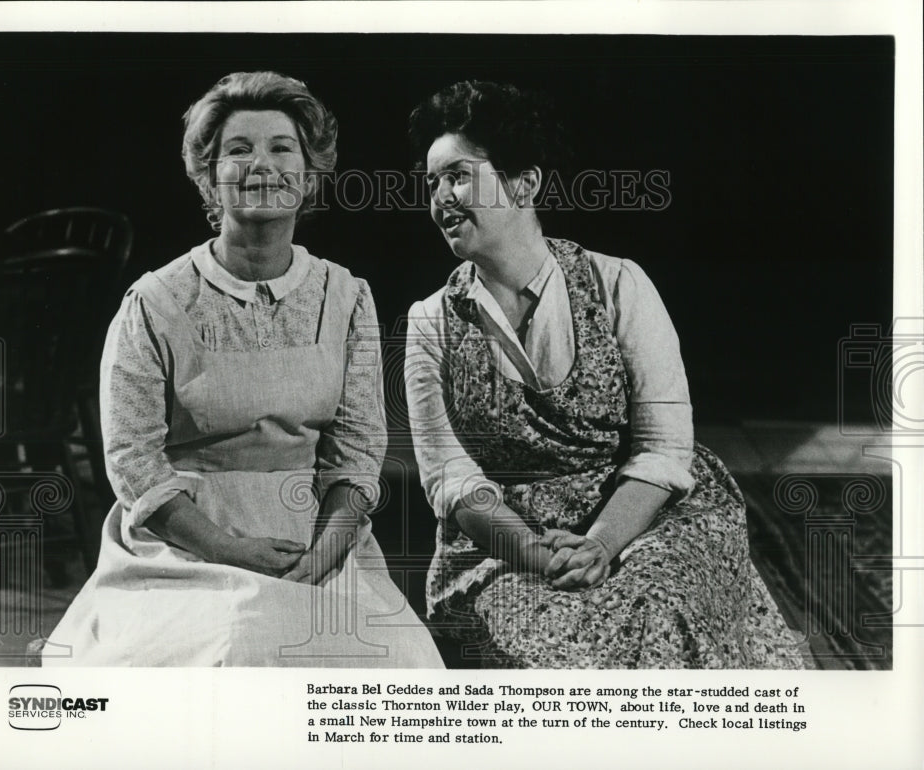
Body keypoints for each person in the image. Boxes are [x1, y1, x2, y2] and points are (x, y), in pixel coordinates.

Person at [44, 71, 442, 667]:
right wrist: (229, 549)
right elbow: (132, 458)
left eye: (283, 148)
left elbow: (358, 449)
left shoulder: (347, 296)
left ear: (310, 176)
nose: (263, 165)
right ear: (208, 176)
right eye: (238, 149)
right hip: (184, 539)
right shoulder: (155, 301)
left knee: (399, 666)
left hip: (317, 534)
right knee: (239, 644)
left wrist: (326, 551)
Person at [404, 80, 806, 668]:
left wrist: (599, 543)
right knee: (561, 654)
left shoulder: (619, 285)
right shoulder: (429, 322)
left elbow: (664, 449)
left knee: (663, 609)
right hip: (507, 546)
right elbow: (453, 481)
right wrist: (545, 558)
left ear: (525, 183)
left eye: (459, 175)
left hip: (646, 519)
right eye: (432, 182)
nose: (441, 197)